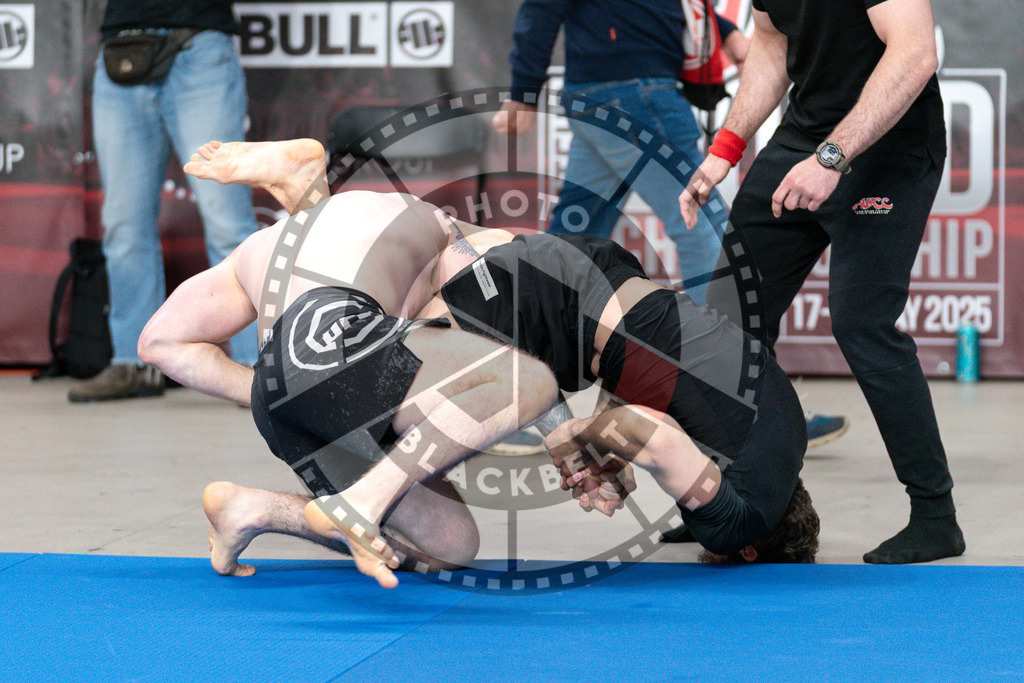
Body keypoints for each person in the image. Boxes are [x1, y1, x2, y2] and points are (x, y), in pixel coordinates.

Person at [139, 139, 560, 587]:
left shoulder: (258, 248)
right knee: (527, 381)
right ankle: (363, 502)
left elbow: (159, 343)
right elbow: (506, 315)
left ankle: (253, 510)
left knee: (451, 545)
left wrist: (263, 386)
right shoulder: (438, 225)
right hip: (343, 340)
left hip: (286, 398)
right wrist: (563, 434)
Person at [680, 0, 963, 564]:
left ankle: (935, 515)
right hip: (802, 137)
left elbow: (915, 53)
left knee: (862, 322)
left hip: (891, 149)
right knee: (725, 324)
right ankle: (735, 500)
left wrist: (830, 159)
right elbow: (770, 44)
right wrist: (725, 152)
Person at [493, 0, 748, 306]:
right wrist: (524, 90)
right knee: (706, 229)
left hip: (607, 92)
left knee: (573, 242)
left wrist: (725, 30)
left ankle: (528, 336)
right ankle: (722, 350)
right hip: (633, 92)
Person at [69, 0, 259, 402]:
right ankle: (133, 364)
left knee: (228, 220)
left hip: (198, 43)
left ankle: (256, 367)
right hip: (121, 49)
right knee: (123, 223)